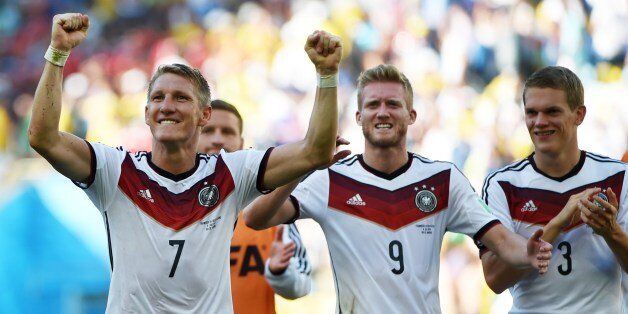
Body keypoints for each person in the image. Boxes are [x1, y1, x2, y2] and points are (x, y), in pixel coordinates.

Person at [28, 13, 342, 312]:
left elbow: (315, 151)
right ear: (147, 112)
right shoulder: (115, 170)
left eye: (181, 98)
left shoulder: (231, 172)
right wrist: (57, 54)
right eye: (158, 98)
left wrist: (326, 76)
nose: (167, 106)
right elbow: (44, 138)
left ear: (204, 114)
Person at [241, 64, 553, 313]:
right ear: (359, 117)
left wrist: (527, 251)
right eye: (373, 104)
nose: (383, 111)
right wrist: (306, 164)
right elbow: (256, 217)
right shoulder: (330, 179)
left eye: (393, 104)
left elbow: (502, 242)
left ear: (411, 115)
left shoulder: (443, 179)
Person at [478, 66, 628, 313]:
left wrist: (611, 231)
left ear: (579, 114)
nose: (539, 122)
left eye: (552, 111)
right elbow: (494, 279)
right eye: (531, 112)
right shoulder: (503, 184)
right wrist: (557, 224)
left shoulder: (617, 177)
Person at [199, 99, 312, 313]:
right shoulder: (168, 206)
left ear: (241, 143)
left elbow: (303, 285)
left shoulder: (270, 205)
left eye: (227, 131)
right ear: (192, 137)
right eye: (208, 130)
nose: (218, 139)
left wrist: (280, 272)